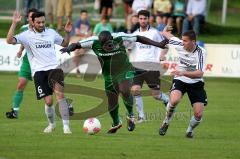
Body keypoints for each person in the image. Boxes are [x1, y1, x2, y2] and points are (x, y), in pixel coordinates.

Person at [60, 30, 169, 133]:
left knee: (125, 89)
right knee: (112, 103)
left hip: (125, 70)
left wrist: (158, 44)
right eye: (103, 45)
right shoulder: (93, 41)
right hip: (109, 76)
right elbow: (77, 45)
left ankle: (130, 115)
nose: (105, 47)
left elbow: (139, 38)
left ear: (112, 39)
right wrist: (69, 48)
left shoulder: (120, 37)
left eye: (108, 44)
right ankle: (116, 123)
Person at [7, 11, 73, 134]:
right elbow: (9, 40)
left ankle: (66, 127)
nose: (42, 24)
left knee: (60, 96)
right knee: (48, 101)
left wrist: (68, 33)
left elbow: (65, 44)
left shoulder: (51, 33)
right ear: (32, 22)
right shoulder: (26, 35)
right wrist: (14, 24)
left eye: (43, 22)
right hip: (39, 72)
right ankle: (52, 125)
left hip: (54, 69)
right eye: (39, 22)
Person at [159, 30, 207, 138]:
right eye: (182, 39)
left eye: (185, 41)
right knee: (174, 100)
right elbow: (166, 35)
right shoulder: (179, 43)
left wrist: (183, 72)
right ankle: (166, 122)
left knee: (198, 114)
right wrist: (165, 30)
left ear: (193, 42)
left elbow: (199, 73)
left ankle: (189, 130)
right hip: (180, 79)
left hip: (196, 82)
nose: (182, 42)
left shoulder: (200, 52)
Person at [130, 10, 169, 123]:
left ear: (149, 19)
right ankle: (141, 116)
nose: (142, 21)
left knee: (156, 95)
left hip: (152, 66)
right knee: (135, 90)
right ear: (138, 19)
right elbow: (129, 49)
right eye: (141, 18)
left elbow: (165, 46)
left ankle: (167, 100)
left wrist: (162, 55)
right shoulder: (133, 35)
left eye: (145, 18)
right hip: (137, 66)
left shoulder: (154, 33)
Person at [5, 8, 38, 119]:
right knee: (21, 84)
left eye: (35, 16)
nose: (32, 19)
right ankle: (15, 111)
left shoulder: (43, 30)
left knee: (49, 88)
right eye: (30, 17)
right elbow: (23, 41)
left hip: (40, 62)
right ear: (28, 19)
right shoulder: (24, 29)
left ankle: (65, 104)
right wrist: (20, 50)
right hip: (27, 61)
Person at [71, 10, 92, 77]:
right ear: (81, 15)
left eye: (86, 15)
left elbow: (90, 32)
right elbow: (77, 33)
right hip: (76, 38)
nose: (85, 16)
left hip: (83, 40)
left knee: (80, 51)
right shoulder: (78, 22)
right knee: (78, 50)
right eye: (83, 15)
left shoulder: (88, 23)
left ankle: (77, 67)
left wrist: (86, 35)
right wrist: (85, 35)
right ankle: (77, 68)